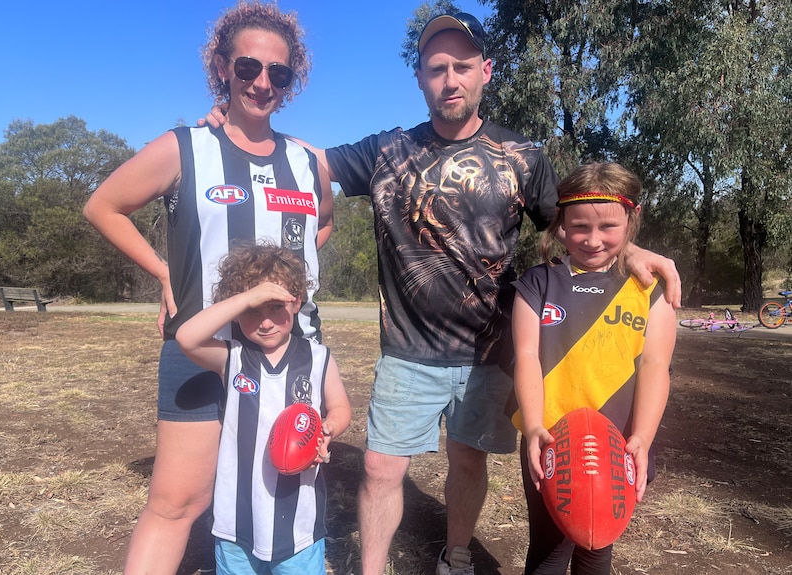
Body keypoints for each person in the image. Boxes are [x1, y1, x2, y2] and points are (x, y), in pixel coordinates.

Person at [204, 11, 681, 575]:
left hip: (488, 353)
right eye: (436, 68)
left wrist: (632, 252)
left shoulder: (524, 157)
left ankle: (455, 555)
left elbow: (579, 227)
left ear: (486, 72)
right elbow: (309, 162)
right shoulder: (387, 151)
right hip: (408, 352)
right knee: (381, 467)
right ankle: (373, 569)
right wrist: (240, 125)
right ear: (421, 79)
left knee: (468, 460)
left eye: (462, 66)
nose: (450, 78)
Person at [82, 2, 332, 573]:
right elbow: (104, 206)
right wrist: (166, 272)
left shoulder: (308, 162)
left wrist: (295, 279)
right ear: (221, 67)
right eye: (247, 68)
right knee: (178, 503)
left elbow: (323, 224)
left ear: (292, 81)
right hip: (202, 348)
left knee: (279, 490)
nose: (262, 83)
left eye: (279, 73)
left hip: (287, 353)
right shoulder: (185, 147)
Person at [510, 162, 676, 575]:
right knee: (548, 549)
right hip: (549, 441)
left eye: (608, 228)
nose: (593, 239)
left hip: (620, 443)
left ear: (631, 220)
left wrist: (641, 437)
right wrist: (533, 428)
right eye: (580, 226)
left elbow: (657, 365)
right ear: (561, 223)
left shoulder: (649, 291)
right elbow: (526, 356)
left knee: (597, 547)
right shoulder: (538, 283)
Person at [174, 241, 351, 574]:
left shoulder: (318, 358)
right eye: (253, 311)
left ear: (297, 301)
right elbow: (187, 337)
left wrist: (329, 429)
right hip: (237, 517)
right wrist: (243, 298)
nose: (265, 321)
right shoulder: (234, 358)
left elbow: (340, 408)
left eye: (275, 307)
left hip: (297, 517)